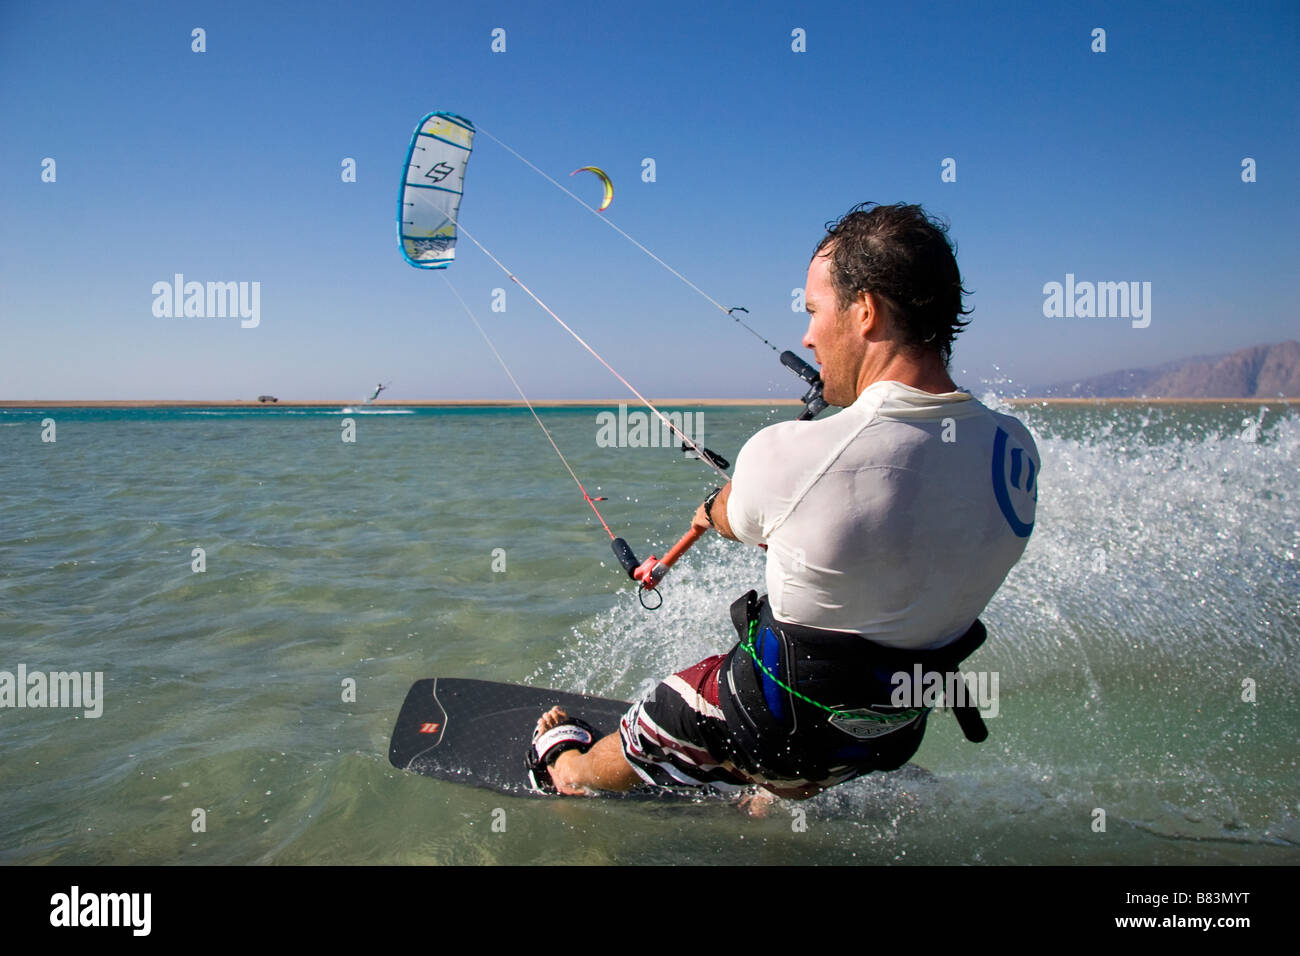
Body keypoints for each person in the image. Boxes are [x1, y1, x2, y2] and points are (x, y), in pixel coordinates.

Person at [529, 202, 1040, 803]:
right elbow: (902, 525)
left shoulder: (791, 453)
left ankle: (567, 772)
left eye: (815, 311)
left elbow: (732, 516)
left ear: (866, 311)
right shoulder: (1017, 452)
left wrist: (719, 505)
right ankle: (782, 793)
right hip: (889, 733)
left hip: (772, 728)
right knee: (825, 671)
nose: (806, 335)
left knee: (679, 704)